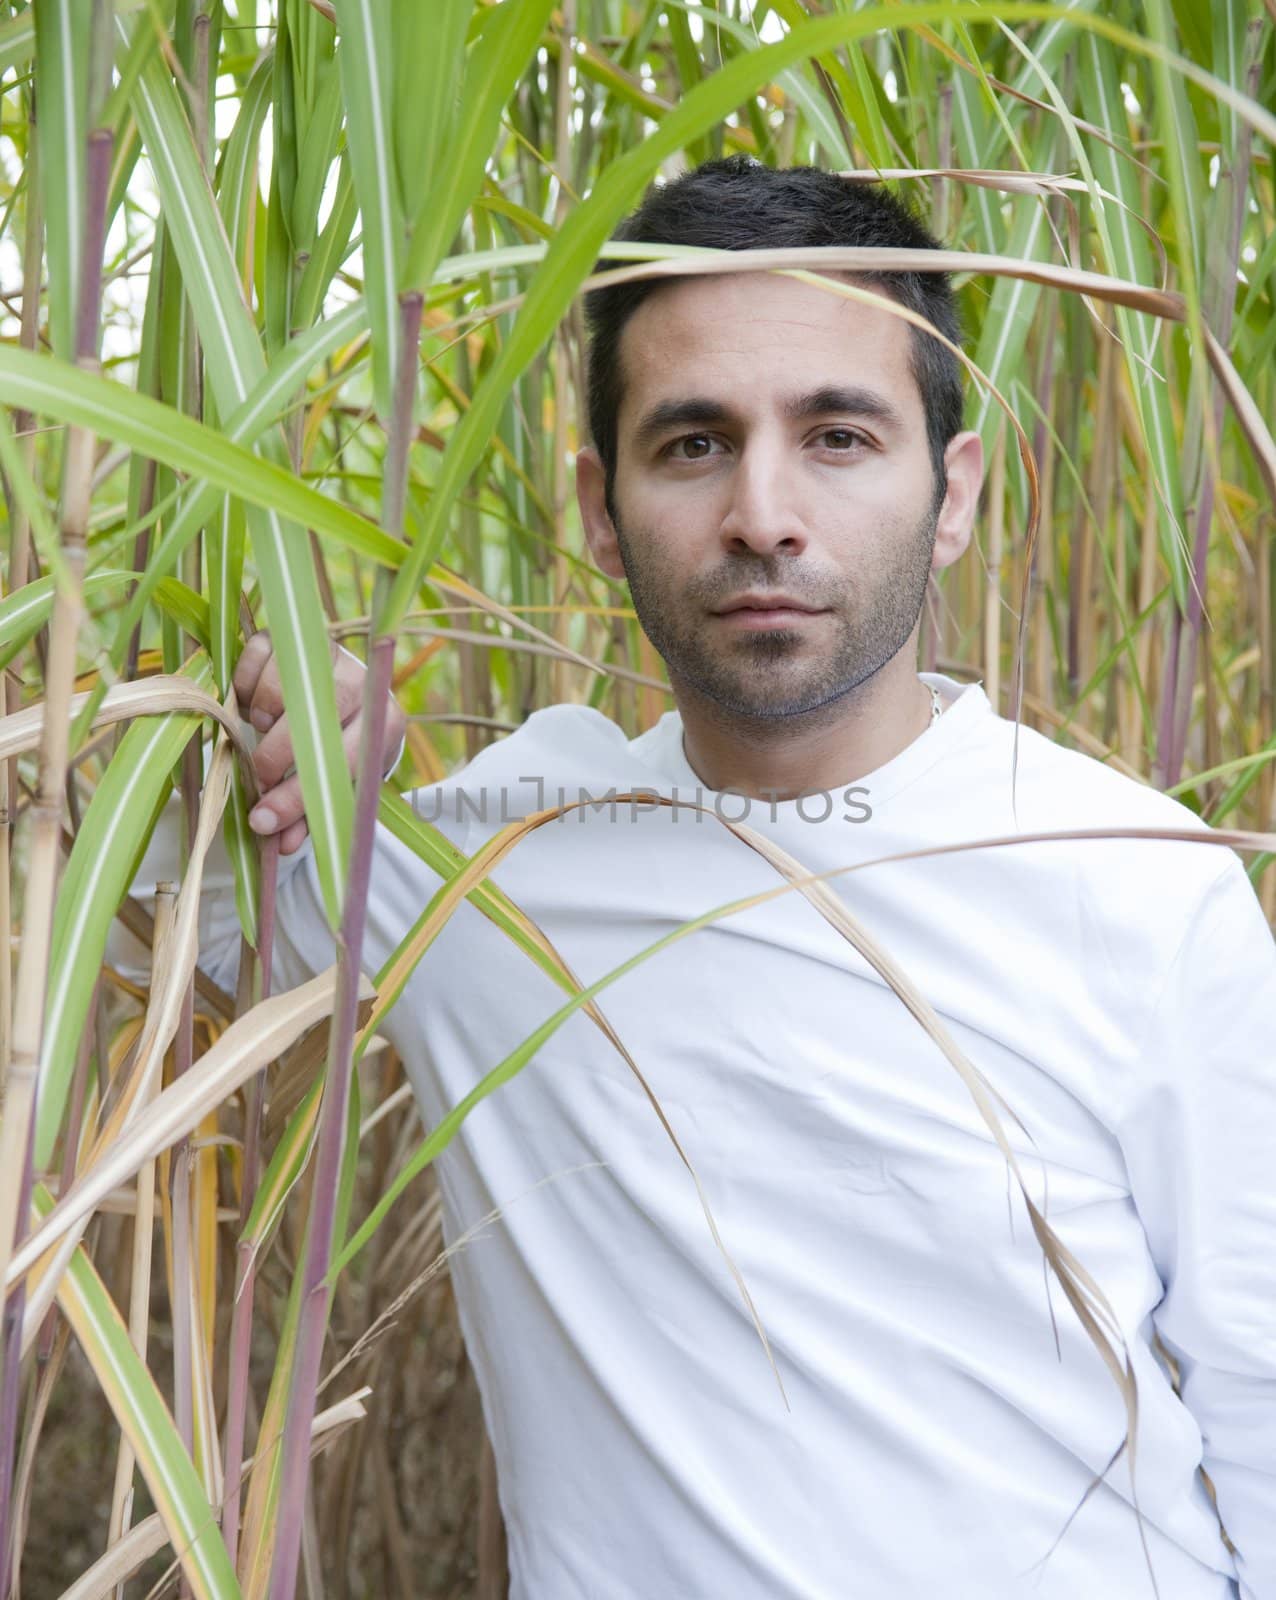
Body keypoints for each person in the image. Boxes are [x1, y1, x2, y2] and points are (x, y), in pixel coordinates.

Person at [145, 159, 1275, 1598]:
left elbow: (1262, 1396)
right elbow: (153, 930)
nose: (764, 514)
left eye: (839, 437)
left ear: (955, 495)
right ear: (601, 508)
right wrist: (277, 728)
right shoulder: (478, 866)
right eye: (692, 444)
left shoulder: (1138, 884)